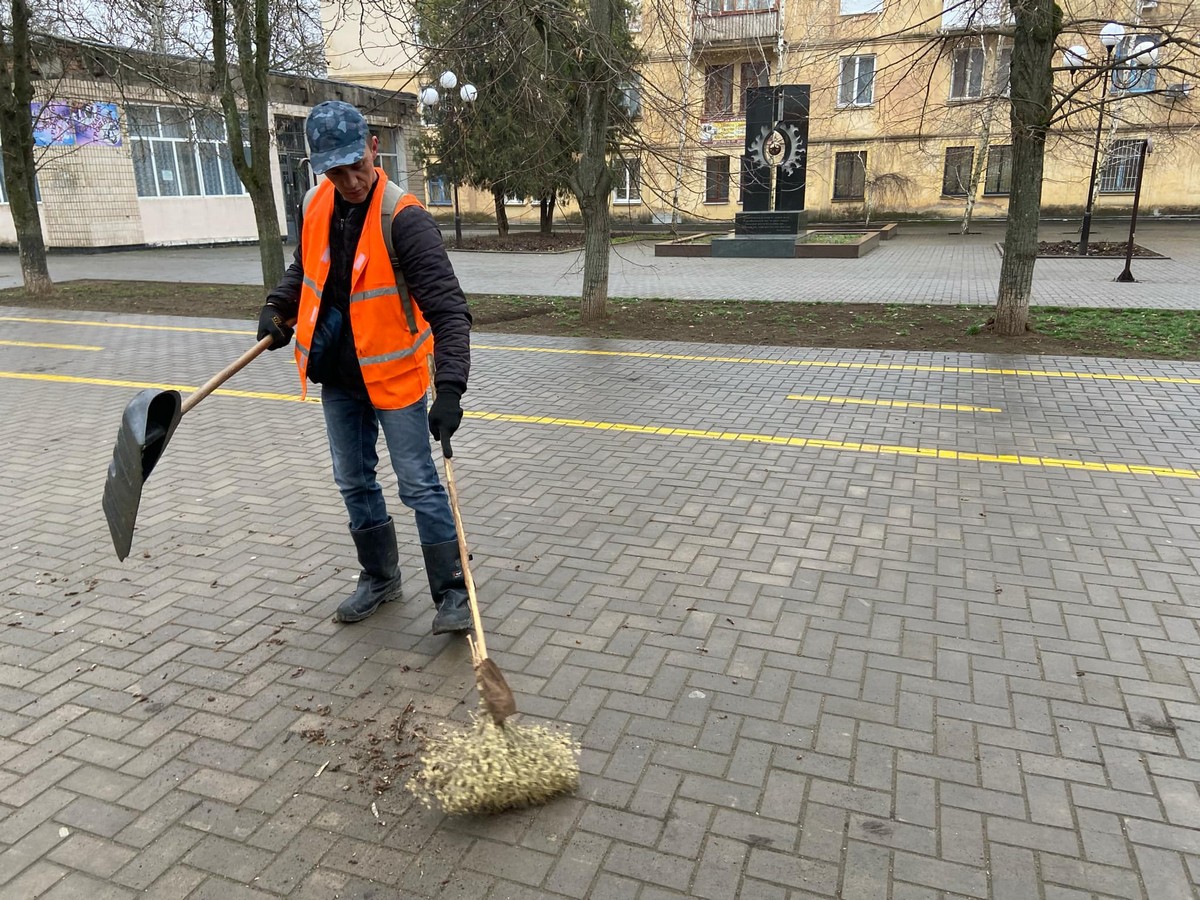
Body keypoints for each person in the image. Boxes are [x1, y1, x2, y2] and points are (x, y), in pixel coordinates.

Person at [256, 100, 472, 634]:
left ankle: (452, 595)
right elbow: (306, 269)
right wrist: (278, 307)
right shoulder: (315, 203)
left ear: (374, 147)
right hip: (339, 372)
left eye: (357, 164)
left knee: (419, 484)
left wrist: (450, 390)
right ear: (319, 168)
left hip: (395, 376)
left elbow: (450, 311)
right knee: (352, 480)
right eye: (335, 169)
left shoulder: (406, 218)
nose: (350, 179)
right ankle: (379, 577)